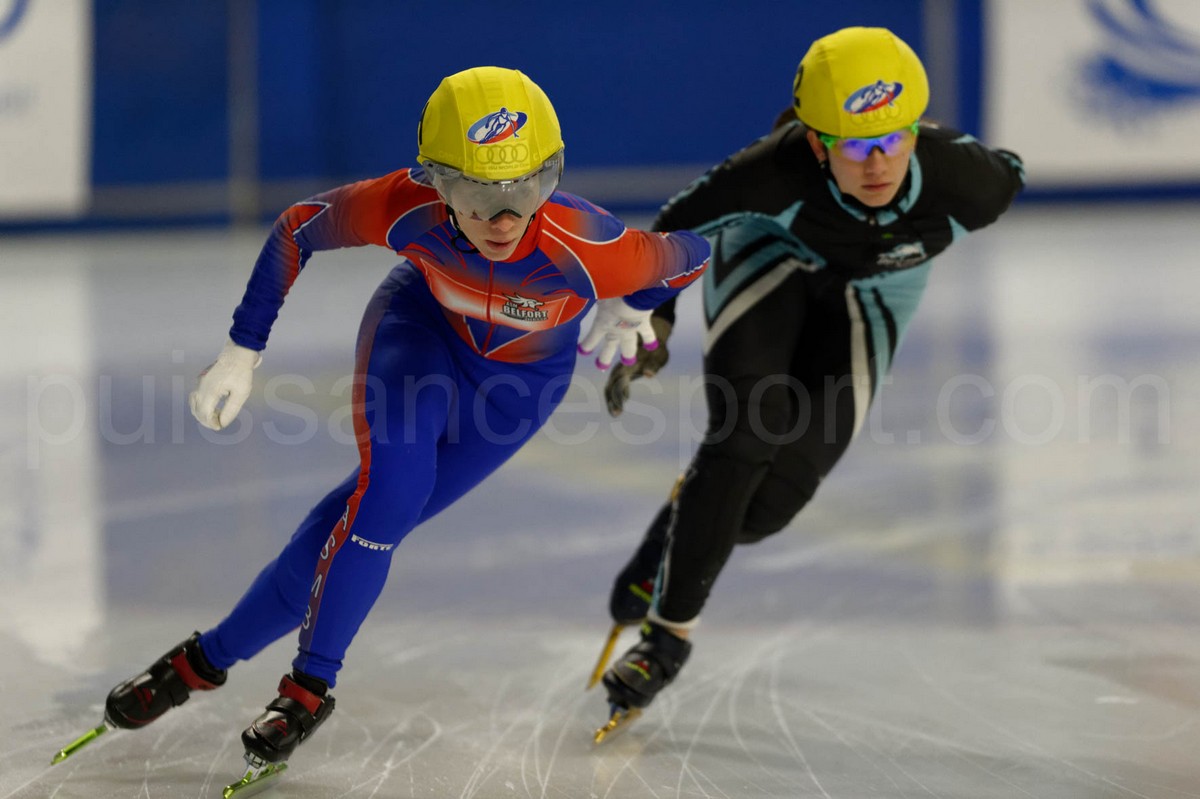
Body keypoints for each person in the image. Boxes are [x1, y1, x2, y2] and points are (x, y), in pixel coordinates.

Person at [85, 65, 709, 781]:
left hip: (516, 395)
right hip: (420, 339)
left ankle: (202, 660)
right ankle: (307, 689)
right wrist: (241, 349)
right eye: (479, 194)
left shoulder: (590, 244)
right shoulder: (403, 207)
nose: (505, 219)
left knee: (353, 525)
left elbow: (689, 256)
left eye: (527, 189)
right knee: (387, 496)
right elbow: (298, 228)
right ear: (435, 182)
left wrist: (635, 305)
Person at [593, 27, 1025, 725]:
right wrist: (654, 320)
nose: (877, 163)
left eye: (893, 139)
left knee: (761, 511)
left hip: (875, 294)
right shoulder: (772, 174)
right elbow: (673, 230)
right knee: (742, 442)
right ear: (817, 143)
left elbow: (1011, 171)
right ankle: (665, 641)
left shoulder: (972, 183)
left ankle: (674, 533)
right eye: (854, 146)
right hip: (771, 260)